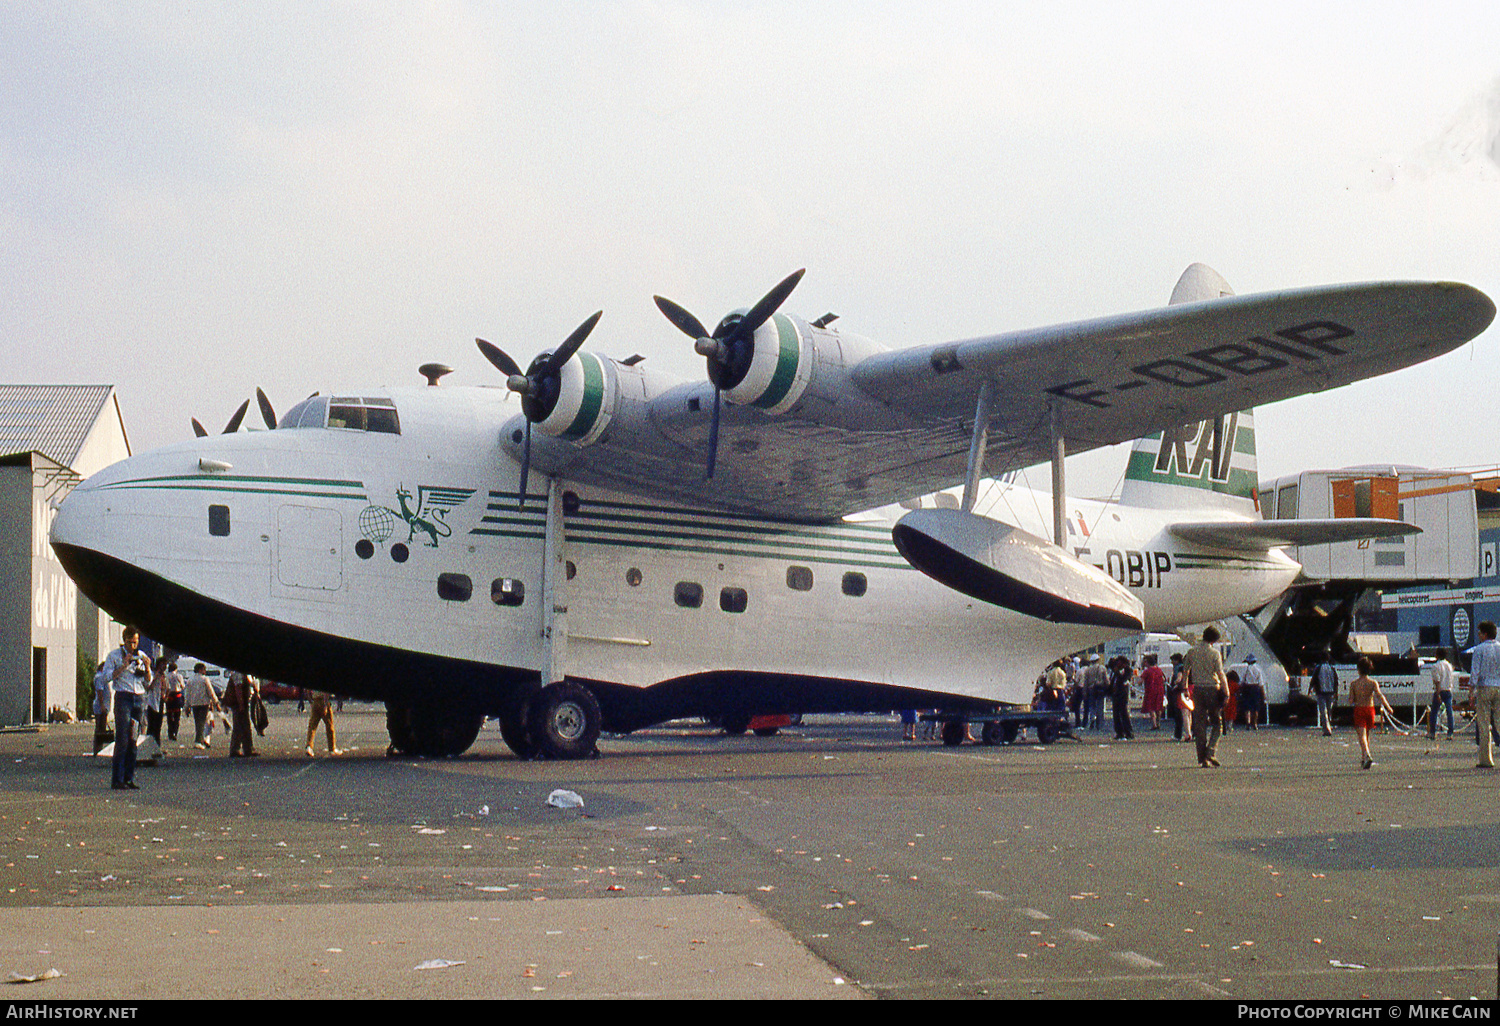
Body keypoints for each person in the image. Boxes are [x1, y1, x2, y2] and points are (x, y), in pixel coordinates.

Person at [101, 627, 149, 789]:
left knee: (133, 740)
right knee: (122, 739)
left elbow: (147, 680)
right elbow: (106, 677)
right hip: (124, 697)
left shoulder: (141, 656)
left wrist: (148, 667)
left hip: (139, 697)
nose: (133, 646)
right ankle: (117, 779)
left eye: (135, 642)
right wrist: (123, 666)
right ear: (124, 640)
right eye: (130, 642)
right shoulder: (114, 656)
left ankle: (129, 777)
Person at [1184, 626, 1229, 767]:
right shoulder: (1215, 653)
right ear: (1214, 640)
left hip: (1197, 689)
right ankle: (1211, 751)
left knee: (1199, 724)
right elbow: (1220, 673)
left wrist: (1185, 688)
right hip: (1212, 689)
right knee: (1217, 723)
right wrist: (1226, 691)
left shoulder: (1192, 652)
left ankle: (1202, 758)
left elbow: (1185, 671)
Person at [1349, 656, 1396, 770]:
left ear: (1358, 669)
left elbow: (1351, 700)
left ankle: (1367, 754)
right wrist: (1388, 707)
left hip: (1359, 709)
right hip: (1370, 709)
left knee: (1361, 736)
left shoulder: (1354, 684)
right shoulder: (1373, 682)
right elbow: (1380, 695)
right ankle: (1363, 758)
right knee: (1367, 735)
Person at [1469, 621, 1500, 770]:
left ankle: (1486, 759)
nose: (1479, 635)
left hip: (1484, 686)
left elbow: (1475, 672)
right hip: (1499, 686)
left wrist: (1471, 692)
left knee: (1484, 724)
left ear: (1485, 634)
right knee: (1499, 722)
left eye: (1480, 632)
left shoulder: (1479, 649)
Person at [224, 670, 260, 758]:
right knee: (240, 726)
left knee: (243, 726)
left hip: (240, 703)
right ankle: (238, 749)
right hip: (239, 704)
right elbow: (238, 689)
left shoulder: (241, 674)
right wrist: (241, 705)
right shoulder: (238, 674)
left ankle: (246, 748)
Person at [186, 663, 221, 749]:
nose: (205, 671)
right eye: (204, 669)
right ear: (200, 669)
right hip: (204, 703)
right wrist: (216, 703)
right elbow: (211, 692)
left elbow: (187, 694)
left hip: (194, 703)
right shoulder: (205, 679)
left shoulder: (190, 680)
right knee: (202, 722)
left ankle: (199, 740)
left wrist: (187, 706)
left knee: (198, 722)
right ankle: (199, 741)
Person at [1308, 653, 1340, 736]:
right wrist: (1336, 693)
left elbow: (1314, 679)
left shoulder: (1318, 668)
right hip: (1330, 692)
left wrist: (1310, 689)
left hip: (1321, 692)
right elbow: (1336, 681)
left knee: (1323, 711)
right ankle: (1329, 725)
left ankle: (1326, 729)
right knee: (1329, 711)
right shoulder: (1332, 668)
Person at [1428, 648, 1455, 740]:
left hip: (1440, 690)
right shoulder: (1449, 666)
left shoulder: (1435, 666)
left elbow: (1437, 681)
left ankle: (1432, 732)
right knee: (1449, 711)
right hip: (1448, 689)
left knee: (1434, 711)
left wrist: (1438, 693)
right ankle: (1450, 732)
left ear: (1437, 655)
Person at [305, 690, 341, 757]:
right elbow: (326, 693)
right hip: (323, 701)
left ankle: (309, 746)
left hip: (315, 701)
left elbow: (307, 691)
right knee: (329, 725)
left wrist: (311, 701)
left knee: (312, 726)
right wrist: (325, 705)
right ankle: (332, 748)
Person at [1080, 655, 1109, 731]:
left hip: (1091, 689)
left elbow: (1085, 682)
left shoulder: (1088, 670)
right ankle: (1099, 724)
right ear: (1098, 660)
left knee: (1092, 706)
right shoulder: (1102, 668)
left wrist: (1085, 691)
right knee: (1100, 706)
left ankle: (1092, 718)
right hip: (1100, 689)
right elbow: (1106, 680)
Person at [1109, 656, 1135, 740]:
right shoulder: (1114, 671)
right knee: (1116, 714)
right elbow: (1113, 682)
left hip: (1122, 694)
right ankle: (1119, 732)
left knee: (1124, 714)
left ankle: (1128, 732)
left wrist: (1118, 673)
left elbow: (1124, 679)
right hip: (1115, 694)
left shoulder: (1127, 670)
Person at [1239, 655, 1266, 731]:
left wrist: (1240, 689)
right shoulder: (1258, 669)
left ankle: (1248, 724)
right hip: (1256, 688)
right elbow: (1261, 683)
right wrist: (1263, 694)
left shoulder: (1246, 669)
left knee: (1247, 708)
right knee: (1255, 708)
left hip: (1247, 688)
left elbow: (1242, 681)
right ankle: (1255, 724)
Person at [1139, 654, 1165, 730]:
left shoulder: (1147, 671)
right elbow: (1163, 679)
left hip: (1150, 690)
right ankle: (1158, 722)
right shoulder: (1159, 670)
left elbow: (1140, 681)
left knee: (1151, 707)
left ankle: (1154, 724)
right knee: (1158, 706)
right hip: (1159, 689)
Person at [164, 661, 185, 741]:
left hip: (169, 696)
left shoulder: (166, 676)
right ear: (176, 669)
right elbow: (183, 686)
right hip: (177, 696)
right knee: (177, 715)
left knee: (169, 715)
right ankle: (175, 732)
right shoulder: (178, 676)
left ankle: (170, 732)